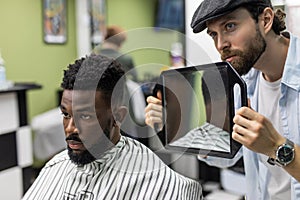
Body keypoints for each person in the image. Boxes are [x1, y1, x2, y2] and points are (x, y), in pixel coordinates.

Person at [145, 0, 300, 199]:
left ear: (266, 20)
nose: (221, 45)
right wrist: (174, 128)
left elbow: (269, 147)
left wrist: (276, 148)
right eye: (214, 34)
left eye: (230, 26)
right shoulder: (242, 82)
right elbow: (231, 153)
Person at [22, 54, 203, 200]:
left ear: (118, 116)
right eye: (66, 114)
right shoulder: (54, 168)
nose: (70, 128)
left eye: (85, 116)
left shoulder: (168, 188)